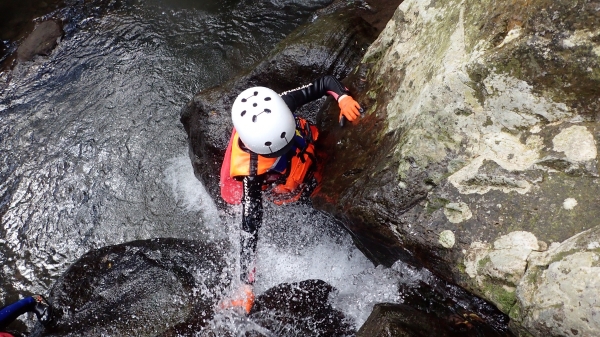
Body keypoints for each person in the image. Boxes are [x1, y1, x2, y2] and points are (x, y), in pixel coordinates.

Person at [219, 75, 362, 314]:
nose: (287, 150)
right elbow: (249, 230)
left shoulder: (278, 107)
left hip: (297, 157)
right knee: (288, 190)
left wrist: (343, 98)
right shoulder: (251, 177)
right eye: (281, 151)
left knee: (301, 158)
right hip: (281, 183)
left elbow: (323, 84)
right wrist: (245, 284)